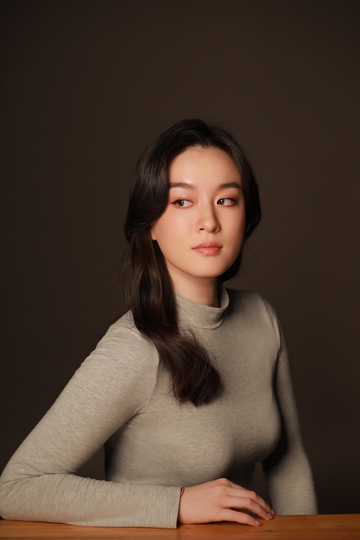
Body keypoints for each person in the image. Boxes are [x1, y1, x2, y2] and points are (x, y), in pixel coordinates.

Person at [0, 119, 317, 528]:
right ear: (150, 222)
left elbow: (288, 462)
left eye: (227, 200)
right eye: (182, 201)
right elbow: (16, 488)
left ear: (246, 215)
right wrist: (178, 504)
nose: (209, 222)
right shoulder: (134, 348)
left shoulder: (260, 317)